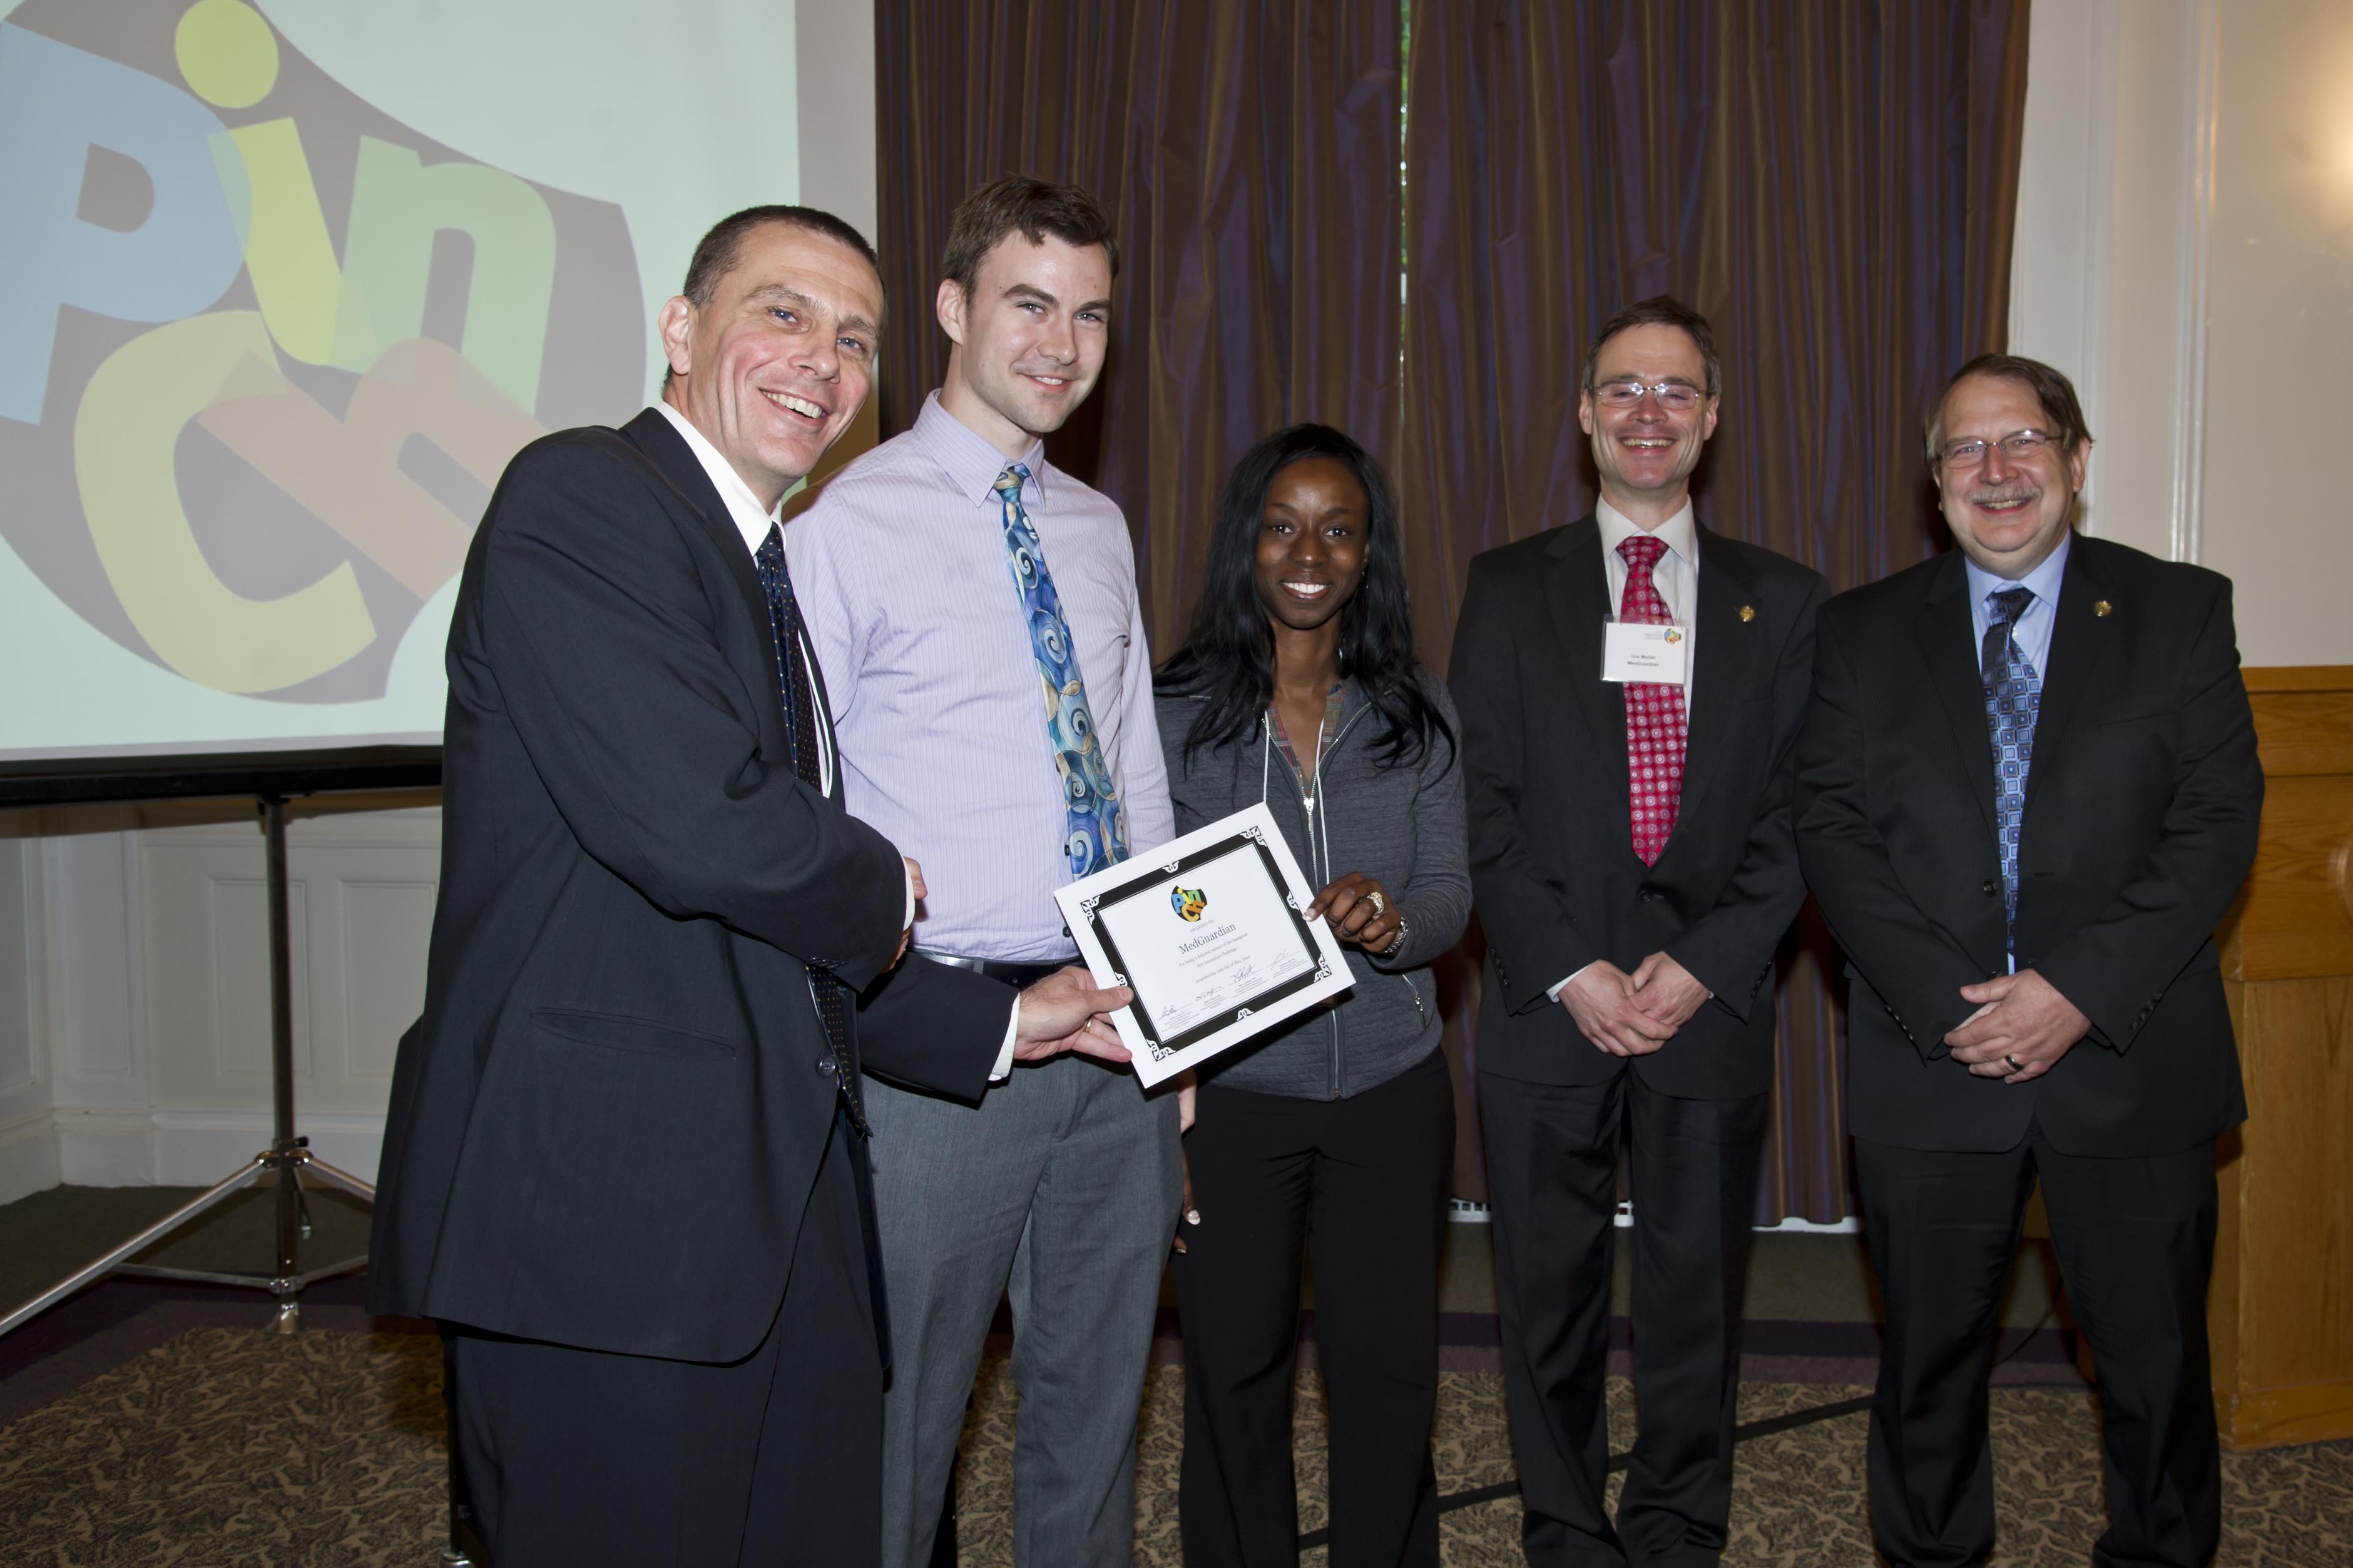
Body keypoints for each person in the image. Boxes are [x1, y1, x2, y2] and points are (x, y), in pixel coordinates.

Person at [367, 205, 1131, 1567]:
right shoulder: (584, 495)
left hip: (767, 1216)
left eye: (851, 339)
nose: (822, 362)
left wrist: (1002, 1022)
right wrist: (899, 881)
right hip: (608, 1226)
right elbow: (698, 827)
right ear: (681, 327)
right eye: (781, 314)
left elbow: (763, 935)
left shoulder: (761, 564)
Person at [1795, 353, 2262, 1568]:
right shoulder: (1854, 632)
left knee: (2156, 1367)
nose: (1994, 471)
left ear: (2075, 461)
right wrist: (1946, 1004)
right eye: (1964, 449)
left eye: (2022, 444)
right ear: (1932, 481)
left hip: (2129, 1055)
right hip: (1929, 1057)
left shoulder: (2178, 612)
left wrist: (2071, 992)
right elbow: (1831, 834)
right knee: (1926, 1373)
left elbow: (2213, 826)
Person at [787, 176, 1181, 1568]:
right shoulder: (841, 526)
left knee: (1093, 1416)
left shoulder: (1094, 527)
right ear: (951, 309)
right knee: (899, 1425)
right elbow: (799, 811)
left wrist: (1178, 1011)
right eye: (1028, 304)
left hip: (1116, 1046)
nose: (1062, 345)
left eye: (1088, 315)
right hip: (942, 1047)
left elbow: (1132, 775)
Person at [1449, 296, 1827, 1566]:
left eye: (1674, 391)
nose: (1646, 412)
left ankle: (1673, 1529)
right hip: (1548, 1004)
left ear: (1710, 418)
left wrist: (1702, 962)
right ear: (1583, 413)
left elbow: (1795, 815)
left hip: (1702, 1004)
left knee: (1692, 1300)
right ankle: (1563, 1527)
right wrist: (1567, 964)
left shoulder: (1781, 601)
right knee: (1543, 1300)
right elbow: (1479, 800)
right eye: (1622, 388)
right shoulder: (1505, 588)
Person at [1153, 423, 1470, 1567]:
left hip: (1389, 1090)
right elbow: (1140, 926)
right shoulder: (1172, 716)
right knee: (1234, 1371)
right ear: (1248, 543)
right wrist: (1167, 1101)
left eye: (1339, 528)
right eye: (1283, 524)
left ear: (1369, 553)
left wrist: (1393, 921)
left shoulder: (1418, 711)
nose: (1309, 551)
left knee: (1386, 1370)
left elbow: (1449, 896)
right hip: (1233, 1100)